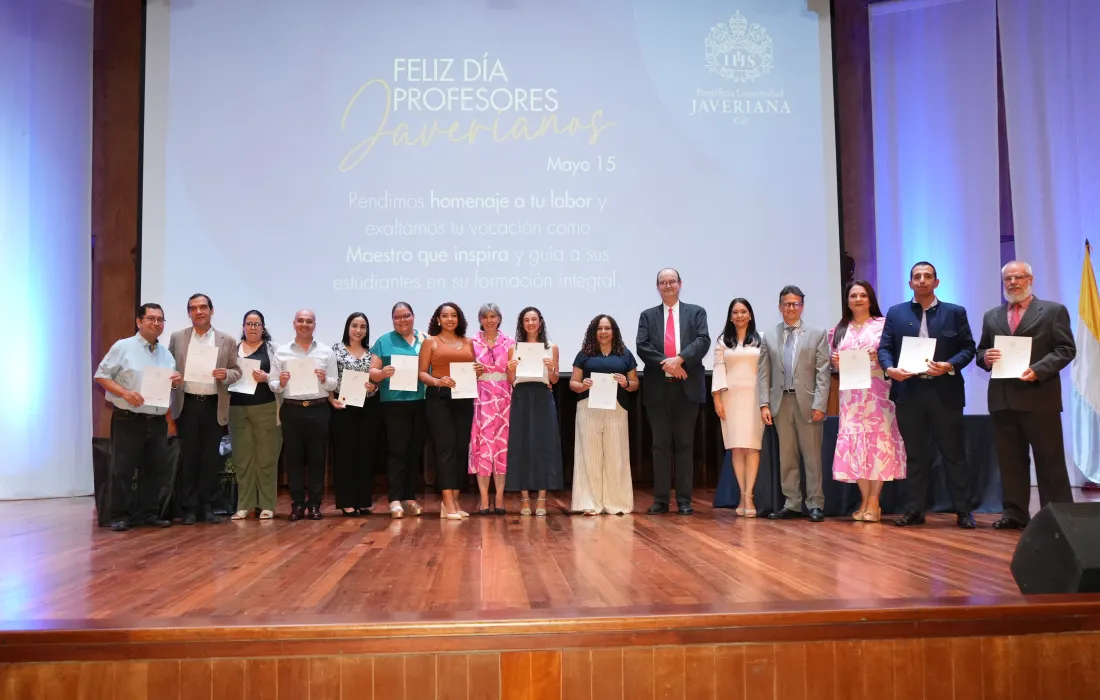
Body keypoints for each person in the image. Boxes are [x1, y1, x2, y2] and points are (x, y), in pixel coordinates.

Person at [977, 261, 1076, 529]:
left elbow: (1066, 349)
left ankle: (1058, 515)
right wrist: (986, 357)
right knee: (1010, 461)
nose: (1013, 282)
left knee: (1049, 460)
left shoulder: (1053, 311)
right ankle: (1015, 514)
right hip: (1003, 399)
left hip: (1039, 397)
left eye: (1018, 277)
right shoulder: (992, 315)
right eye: (1008, 278)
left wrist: (1038, 370)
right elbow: (981, 351)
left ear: (1030, 278)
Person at [878, 262, 977, 529]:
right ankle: (914, 510)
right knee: (916, 456)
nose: (922, 280)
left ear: (937, 282)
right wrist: (890, 369)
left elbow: (968, 348)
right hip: (909, 393)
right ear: (910, 283)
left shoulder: (955, 313)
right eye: (917, 277)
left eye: (927, 276)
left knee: (953, 454)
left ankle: (964, 511)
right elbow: (885, 348)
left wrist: (949, 365)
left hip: (944, 392)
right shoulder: (896, 313)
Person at [94, 303, 182, 531]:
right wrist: (125, 393)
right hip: (128, 418)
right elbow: (102, 376)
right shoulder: (123, 347)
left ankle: (149, 513)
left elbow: (166, 389)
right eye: (151, 318)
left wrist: (174, 382)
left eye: (160, 320)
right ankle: (120, 515)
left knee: (154, 470)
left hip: (156, 420)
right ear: (139, 321)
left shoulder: (166, 354)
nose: (156, 323)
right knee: (123, 469)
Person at [828, 281, 907, 522]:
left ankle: (875, 500)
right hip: (851, 397)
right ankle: (864, 499)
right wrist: (835, 362)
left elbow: (895, 358)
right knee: (855, 447)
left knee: (877, 446)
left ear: (870, 299)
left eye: (863, 295)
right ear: (847, 300)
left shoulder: (884, 326)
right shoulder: (838, 330)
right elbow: (833, 365)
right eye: (853, 296)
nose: (858, 299)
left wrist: (881, 359)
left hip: (878, 394)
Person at [635, 268, 711, 515]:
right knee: (660, 446)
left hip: (686, 389)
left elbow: (702, 341)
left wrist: (679, 360)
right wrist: (668, 363)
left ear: (680, 284)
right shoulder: (647, 316)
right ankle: (660, 500)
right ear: (657, 287)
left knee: (685, 446)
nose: (667, 285)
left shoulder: (696, 312)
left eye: (671, 281)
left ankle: (685, 500)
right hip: (658, 390)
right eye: (662, 282)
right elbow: (642, 346)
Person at [168, 294, 242, 525]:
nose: (198, 311)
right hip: (187, 403)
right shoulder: (178, 337)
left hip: (213, 405)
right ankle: (189, 509)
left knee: (210, 459)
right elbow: (169, 366)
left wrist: (226, 375)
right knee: (189, 458)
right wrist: (173, 379)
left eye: (203, 307)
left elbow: (237, 371)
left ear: (211, 310)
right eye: (193, 308)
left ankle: (208, 506)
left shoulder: (226, 340)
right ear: (189, 312)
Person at [759, 285, 831, 522]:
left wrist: (820, 404)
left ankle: (815, 504)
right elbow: (763, 374)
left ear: (802, 306)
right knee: (787, 457)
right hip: (781, 403)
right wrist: (764, 404)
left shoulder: (817, 334)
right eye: (787, 304)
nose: (791, 308)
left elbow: (823, 373)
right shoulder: (768, 336)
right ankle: (792, 503)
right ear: (780, 307)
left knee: (812, 457)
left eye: (796, 303)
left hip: (809, 404)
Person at [269, 309, 338, 521]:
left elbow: (334, 383)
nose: (305, 324)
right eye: (301, 320)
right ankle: (297, 505)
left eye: (309, 321)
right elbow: (273, 384)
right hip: (292, 410)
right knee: (294, 460)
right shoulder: (281, 352)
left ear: (314, 325)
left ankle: (315, 504)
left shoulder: (326, 352)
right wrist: (280, 382)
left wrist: (325, 379)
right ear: (294, 323)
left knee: (318, 459)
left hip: (318, 409)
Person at [569, 314, 639, 515]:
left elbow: (635, 384)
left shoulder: (625, 354)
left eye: (607, 328)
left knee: (616, 456)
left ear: (614, 331)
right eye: (599, 328)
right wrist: (582, 385)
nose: (603, 332)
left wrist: (625, 383)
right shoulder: (584, 354)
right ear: (594, 331)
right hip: (588, 408)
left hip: (616, 409)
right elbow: (573, 383)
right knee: (588, 456)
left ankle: (617, 503)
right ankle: (589, 503)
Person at [369, 302, 427, 519]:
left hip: (421, 401)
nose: (402, 320)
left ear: (413, 316)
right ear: (392, 319)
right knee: (397, 451)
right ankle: (394, 498)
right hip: (394, 404)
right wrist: (383, 373)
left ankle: (410, 496)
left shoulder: (425, 339)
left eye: (406, 315)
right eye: (397, 317)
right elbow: (372, 372)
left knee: (415, 451)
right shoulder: (384, 341)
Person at [419, 302, 477, 520]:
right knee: (445, 450)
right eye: (445, 316)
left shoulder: (469, 343)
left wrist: (477, 371)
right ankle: (447, 501)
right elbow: (422, 374)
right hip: (439, 398)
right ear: (438, 319)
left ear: (459, 319)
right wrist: (437, 381)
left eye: (454, 315)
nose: (450, 319)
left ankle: (454, 500)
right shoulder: (430, 342)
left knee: (461, 449)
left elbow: (472, 372)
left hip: (463, 398)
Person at [505, 307, 564, 516]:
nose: (530, 323)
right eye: (526, 320)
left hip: (542, 397)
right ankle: (523, 499)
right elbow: (511, 381)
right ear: (522, 323)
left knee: (544, 446)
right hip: (521, 397)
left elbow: (555, 380)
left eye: (534, 319)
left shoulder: (551, 347)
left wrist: (550, 368)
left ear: (540, 322)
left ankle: (541, 498)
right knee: (521, 445)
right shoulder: (514, 349)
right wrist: (510, 368)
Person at [711, 298, 765, 517]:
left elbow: (766, 371)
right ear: (730, 316)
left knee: (752, 447)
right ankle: (741, 493)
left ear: (750, 314)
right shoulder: (723, 340)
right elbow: (718, 369)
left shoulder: (761, 339)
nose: (740, 315)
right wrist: (717, 399)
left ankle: (749, 497)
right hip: (730, 397)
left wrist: (766, 402)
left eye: (743, 311)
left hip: (754, 397)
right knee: (736, 448)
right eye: (735, 312)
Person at [227, 310, 281, 520]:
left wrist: (267, 377)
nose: (252, 327)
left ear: (263, 327)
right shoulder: (232, 349)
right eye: (248, 323)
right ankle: (244, 505)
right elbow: (225, 374)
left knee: (267, 458)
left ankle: (267, 504)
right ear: (243, 326)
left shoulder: (273, 349)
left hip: (266, 408)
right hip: (237, 410)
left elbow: (281, 378)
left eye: (256, 324)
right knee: (242, 459)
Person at [329, 312, 379, 517]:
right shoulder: (336, 350)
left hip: (367, 407)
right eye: (355, 326)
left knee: (365, 454)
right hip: (343, 406)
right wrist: (331, 399)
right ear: (347, 328)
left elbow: (375, 383)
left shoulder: (372, 353)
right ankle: (347, 502)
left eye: (363, 327)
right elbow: (330, 379)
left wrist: (372, 388)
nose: (359, 330)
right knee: (345, 455)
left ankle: (363, 501)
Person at [469, 303, 515, 515]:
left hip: (505, 397)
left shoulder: (510, 343)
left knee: (501, 447)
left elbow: (514, 375)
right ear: (480, 319)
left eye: (493, 316)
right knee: (484, 448)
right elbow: (463, 374)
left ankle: (499, 498)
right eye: (485, 316)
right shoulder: (471, 343)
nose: (489, 320)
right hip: (481, 398)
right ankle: (484, 499)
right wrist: (473, 372)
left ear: (499, 318)